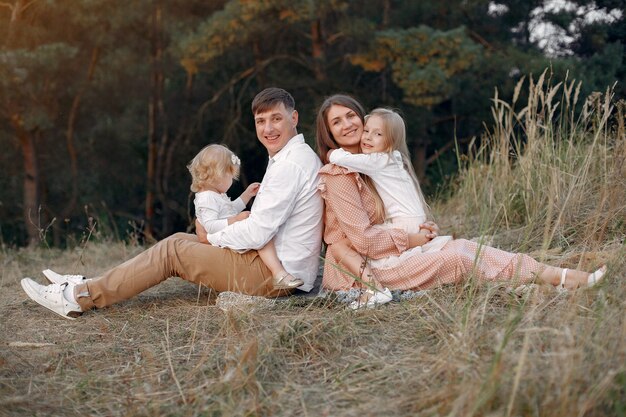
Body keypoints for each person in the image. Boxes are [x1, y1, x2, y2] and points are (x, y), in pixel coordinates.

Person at [20, 87, 324, 319]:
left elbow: (258, 233)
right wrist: (215, 235)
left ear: (294, 118)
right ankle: (93, 283)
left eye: (276, 119)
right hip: (273, 265)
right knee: (179, 239)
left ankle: (78, 297)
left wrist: (212, 236)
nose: (268, 128)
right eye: (261, 121)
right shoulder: (288, 157)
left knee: (174, 250)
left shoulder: (291, 165)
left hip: (275, 276)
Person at [315, 94, 606, 307]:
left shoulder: (368, 164)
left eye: (351, 116)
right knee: (458, 259)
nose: (348, 125)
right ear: (329, 132)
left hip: (392, 254)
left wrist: (420, 230)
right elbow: (363, 241)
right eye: (336, 122)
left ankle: (558, 276)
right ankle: (546, 282)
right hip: (363, 270)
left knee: (469, 247)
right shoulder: (338, 175)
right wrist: (414, 239)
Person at [325, 107, 452, 308]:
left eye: (378, 134)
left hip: (403, 224)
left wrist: (331, 152)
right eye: (367, 131)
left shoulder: (378, 160)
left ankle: (374, 289)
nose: (368, 137)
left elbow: (342, 159)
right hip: (413, 221)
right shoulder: (394, 158)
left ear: (390, 142)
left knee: (342, 245)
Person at [188, 143, 303, 289]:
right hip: (221, 238)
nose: (232, 181)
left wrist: (247, 195)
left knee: (261, 233)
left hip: (227, 232)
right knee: (261, 234)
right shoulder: (207, 198)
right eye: (230, 177)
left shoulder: (216, 195)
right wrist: (235, 220)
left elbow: (231, 209)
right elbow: (210, 226)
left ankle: (277, 270)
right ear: (218, 175)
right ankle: (279, 273)